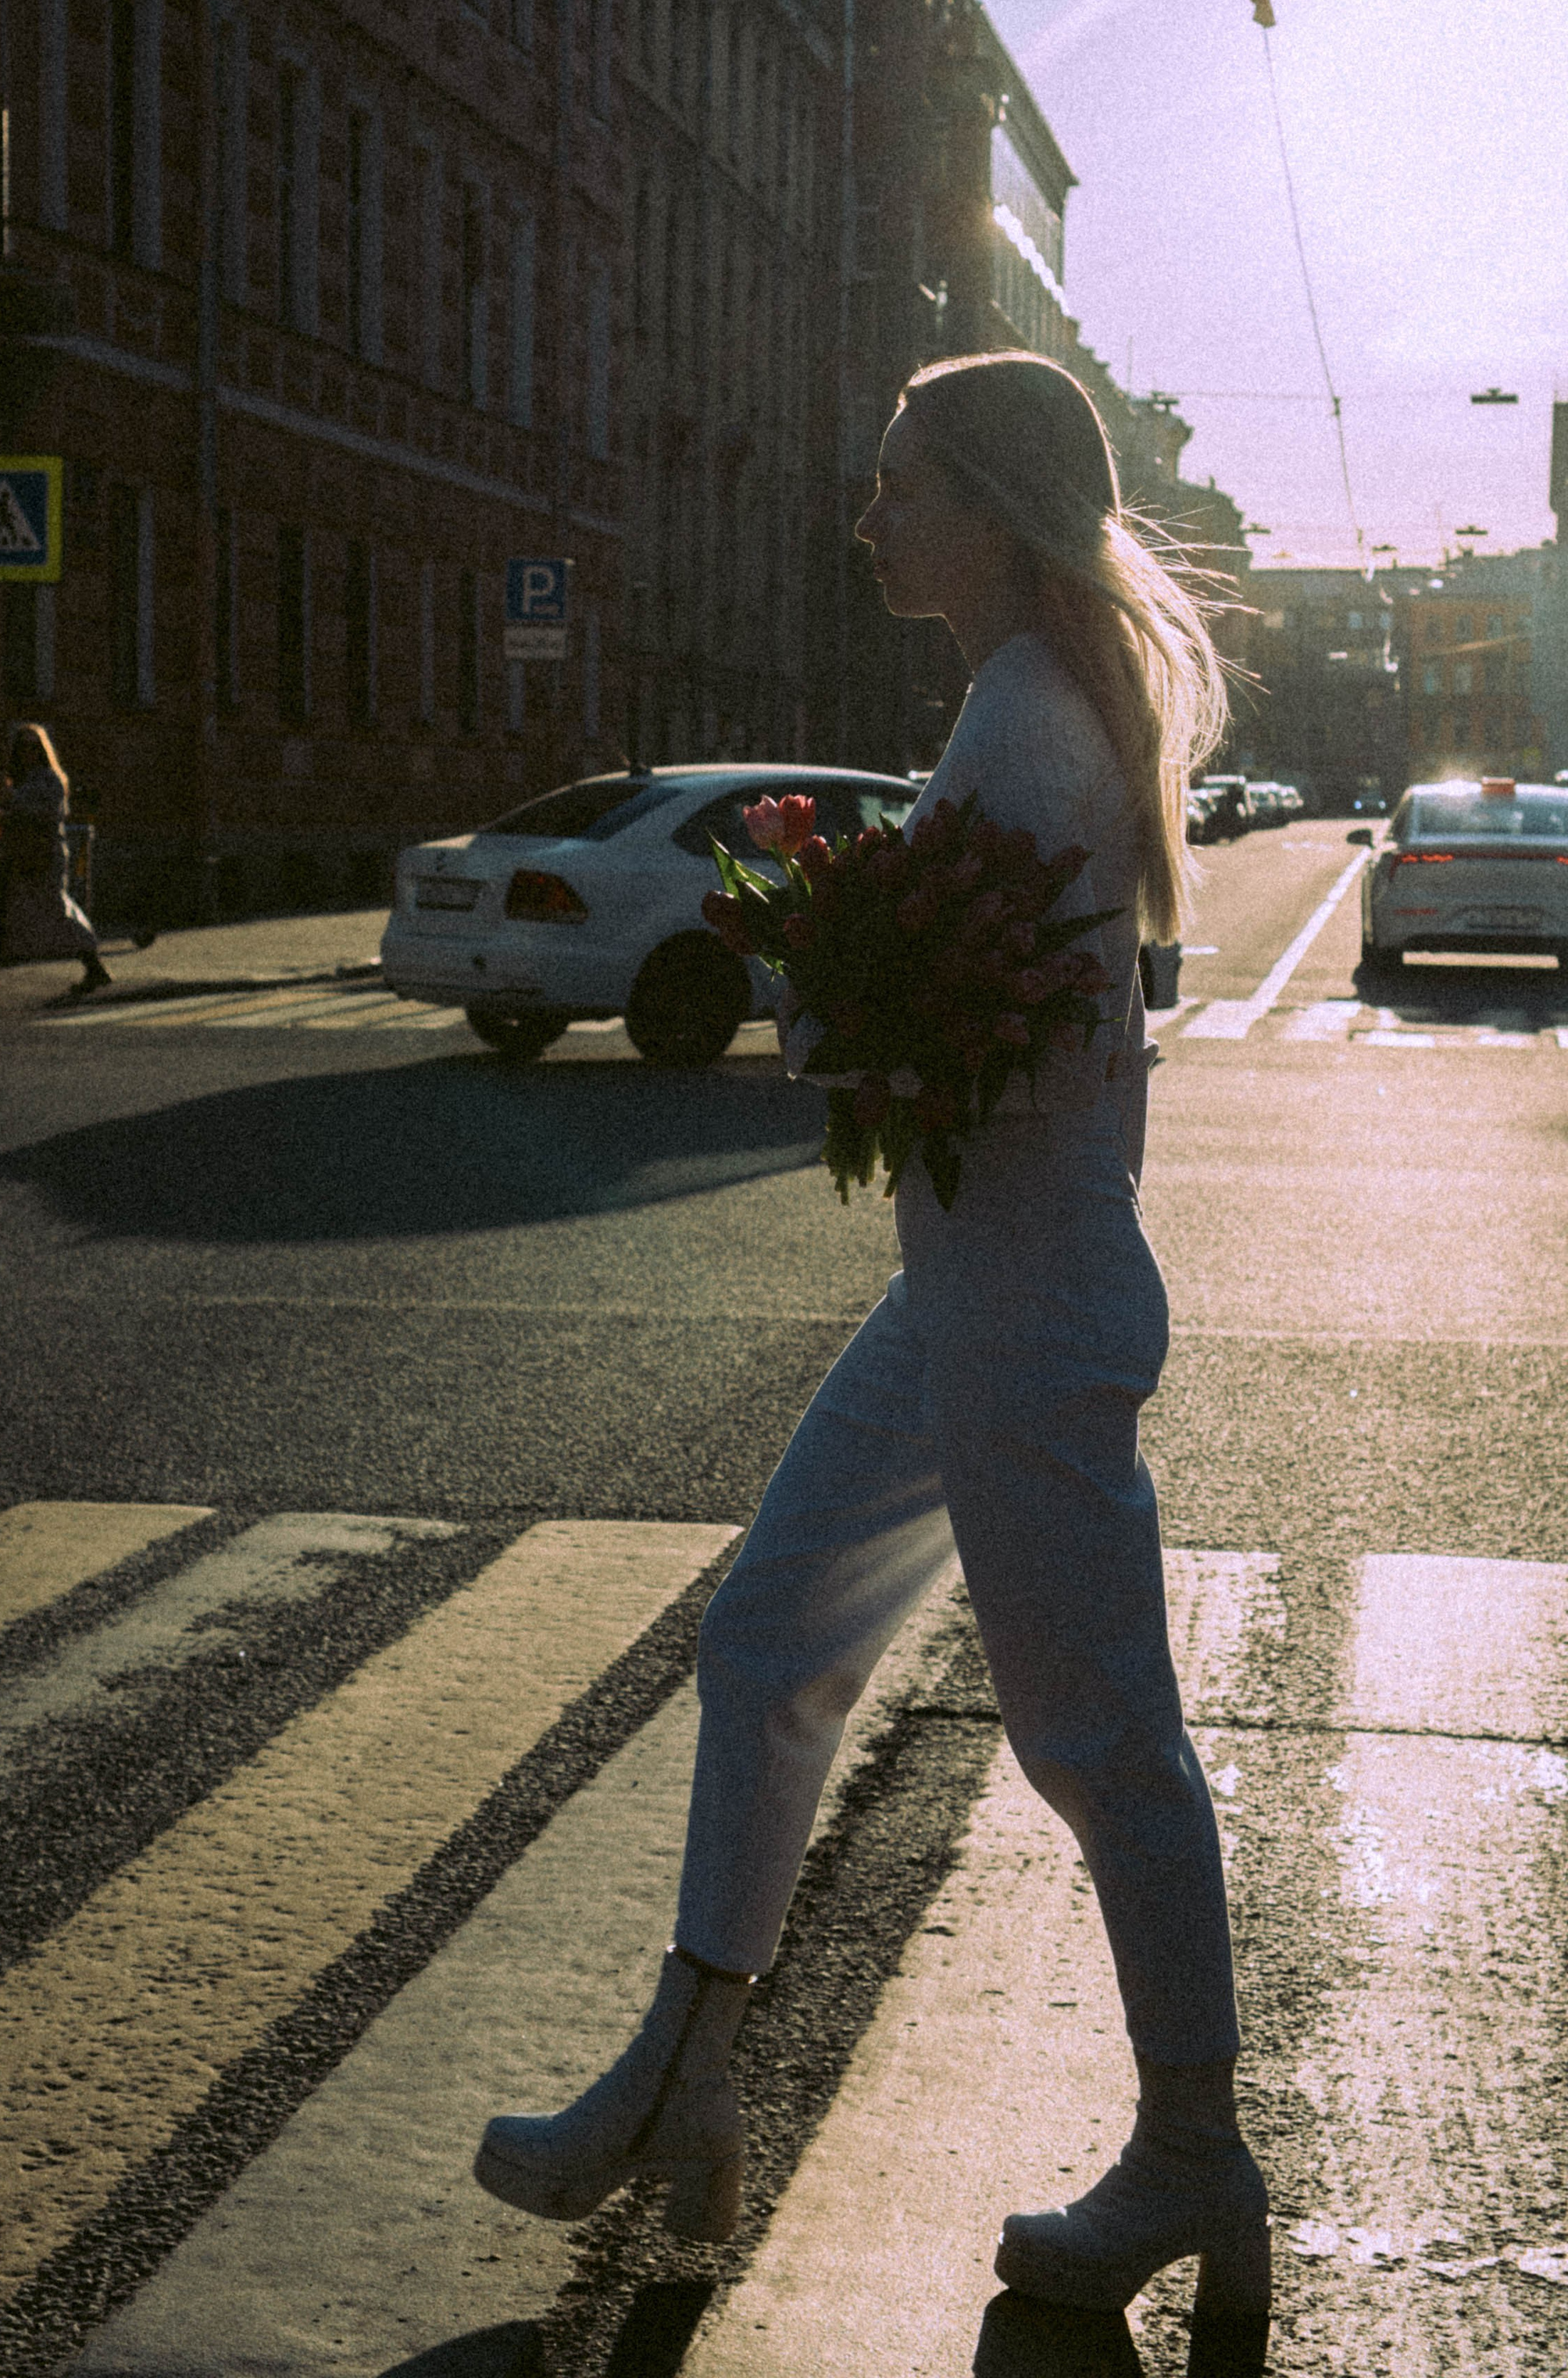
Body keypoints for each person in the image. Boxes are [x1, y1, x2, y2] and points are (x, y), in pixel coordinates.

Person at [473, 353, 1270, 2326]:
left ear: (985, 507)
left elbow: (952, 1029)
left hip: (1024, 1305)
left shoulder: (1027, 716)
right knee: (771, 1634)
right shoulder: (1036, 700)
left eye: (897, 482)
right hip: (978, 1289)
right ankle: (685, 2075)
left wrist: (822, 1005)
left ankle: (1191, 2151)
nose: (869, 516)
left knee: (1100, 1741)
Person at [0, 723, 111, 997]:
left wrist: (9, 814)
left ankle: (94, 965)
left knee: (55, 909)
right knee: (0, 912)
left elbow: (48, 815)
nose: (27, 753)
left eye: (34, 747)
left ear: (43, 750)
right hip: (18, 853)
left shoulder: (49, 779)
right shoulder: (21, 779)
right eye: (22, 748)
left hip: (43, 854)